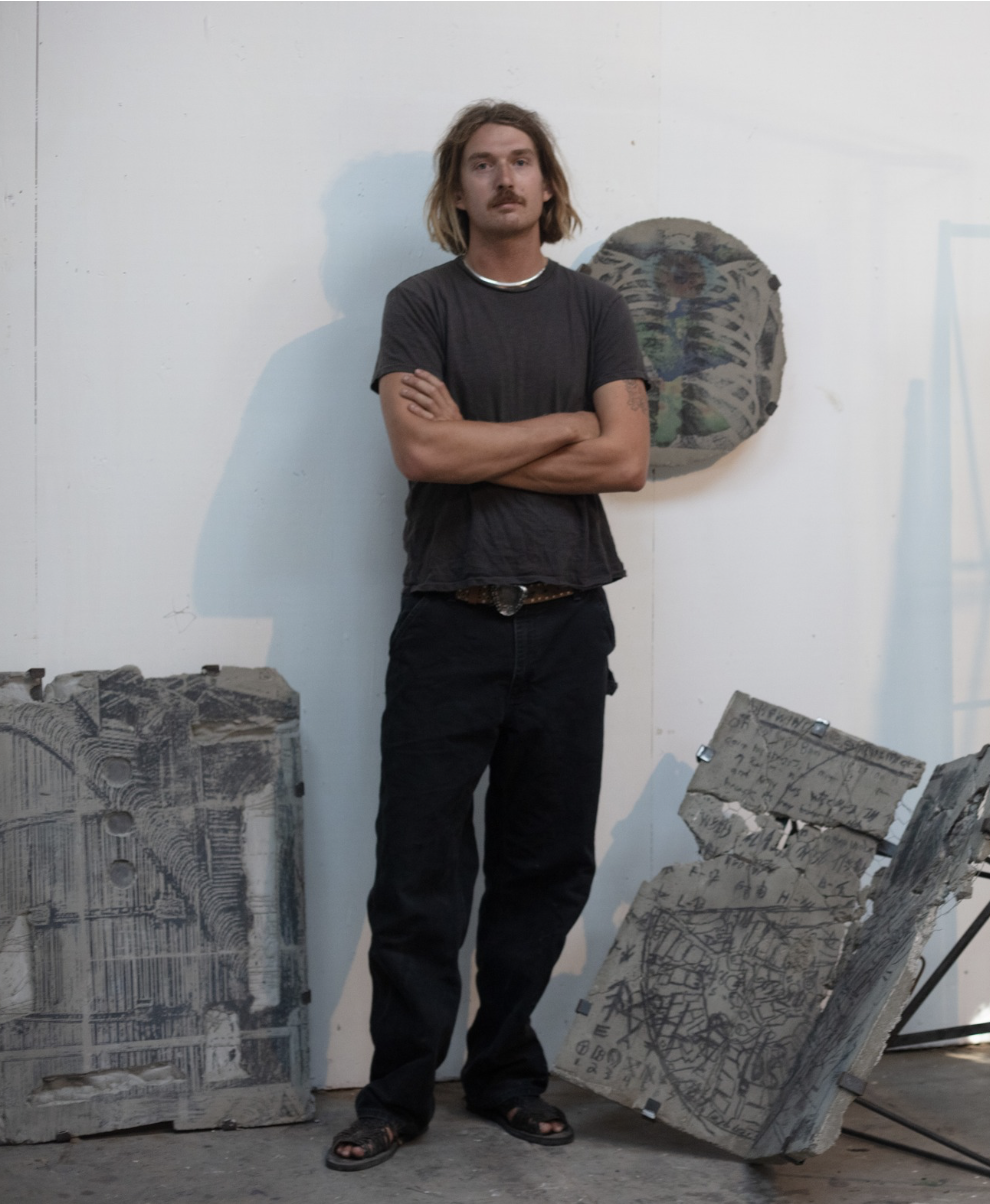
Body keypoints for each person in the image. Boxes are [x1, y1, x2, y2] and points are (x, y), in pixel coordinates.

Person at [326, 100, 649, 1171]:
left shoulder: (595, 307)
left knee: (543, 867)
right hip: (448, 621)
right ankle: (396, 1094)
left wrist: (477, 439)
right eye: (481, 164)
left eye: (521, 161)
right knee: (417, 871)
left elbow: (626, 461)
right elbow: (423, 456)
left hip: (566, 619)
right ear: (455, 190)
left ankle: (507, 1073)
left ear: (548, 184)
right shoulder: (420, 304)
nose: (504, 179)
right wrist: (565, 423)